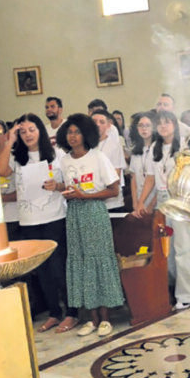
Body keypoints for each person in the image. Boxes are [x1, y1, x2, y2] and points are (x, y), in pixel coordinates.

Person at [0, 114, 73, 332]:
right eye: (23, 131)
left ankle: (71, 312)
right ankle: (54, 313)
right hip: (29, 220)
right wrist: (9, 141)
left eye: (32, 129)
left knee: (59, 268)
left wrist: (57, 186)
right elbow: (2, 171)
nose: (28, 134)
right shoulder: (16, 156)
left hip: (54, 217)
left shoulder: (56, 153)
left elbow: (69, 181)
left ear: (40, 130)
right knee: (41, 271)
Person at [56, 113, 125, 337]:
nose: (73, 136)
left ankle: (105, 318)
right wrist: (58, 188)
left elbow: (114, 189)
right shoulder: (64, 161)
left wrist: (85, 196)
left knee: (98, 261)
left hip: (94, 212)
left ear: (86, 134)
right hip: (74, 214)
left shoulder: (97, 157)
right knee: (81, 262)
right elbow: (70, 188)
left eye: (77, 132)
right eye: (70, 132)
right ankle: (91, 318)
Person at [149, 111, 190, 311]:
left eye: (167, 122)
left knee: (184, 249)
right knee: (167, 250)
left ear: (174, 125)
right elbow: (153, 180)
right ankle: (172, 291)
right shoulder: (155, 148)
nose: (163, 126)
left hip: (182, 200)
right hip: (163, 201)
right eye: (159, 123)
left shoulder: (185, 147)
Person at [91, 110, 126, 212]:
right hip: (91, 203)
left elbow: (116, 175)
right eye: (94, 121)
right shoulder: (85, 145)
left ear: (109, 126)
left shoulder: (114, 145)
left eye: (102, 122)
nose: (97, 125)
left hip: (111, 203)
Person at [127, 112, 157, 216]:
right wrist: (135, 203)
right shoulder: (136, 151)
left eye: (148, 125)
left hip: (156, 204)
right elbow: (133, 178)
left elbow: (160, 182)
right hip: (140, 204)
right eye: (140, 125)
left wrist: (151, 205)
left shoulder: (158, 149)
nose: (144, 129)